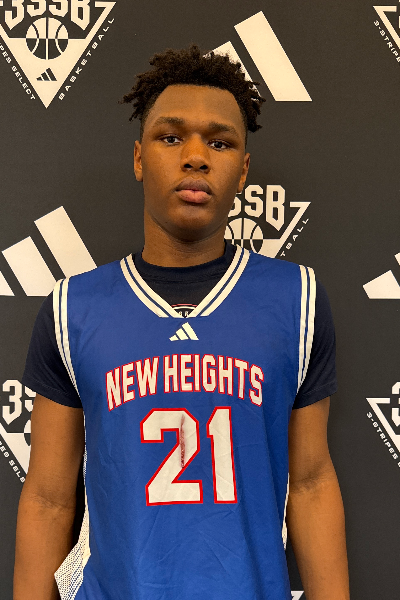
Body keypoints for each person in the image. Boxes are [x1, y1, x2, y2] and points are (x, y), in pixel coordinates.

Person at [14, 45, 350, 600]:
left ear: (243, 171)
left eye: (219, 142)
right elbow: (48, 498)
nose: (195, 157)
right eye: (171, 138)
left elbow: (311, 482)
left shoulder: (297, 299)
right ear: (139, 158)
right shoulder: (73, 308)